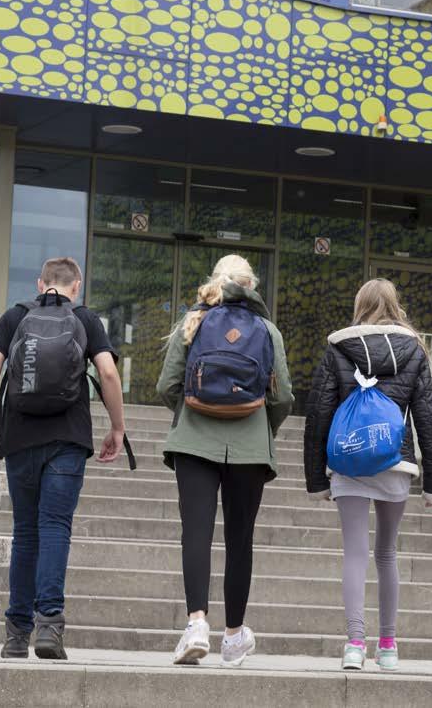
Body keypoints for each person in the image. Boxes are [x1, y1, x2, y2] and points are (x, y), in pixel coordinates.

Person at [0, 257, 126, 661]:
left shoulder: (15, 316)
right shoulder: (86, 320)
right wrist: (117, 428)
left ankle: (16, 634)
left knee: (25, 533)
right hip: (67, 438)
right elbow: (107, 373)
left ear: (40, 283)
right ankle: (49, 626)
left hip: (19, 436)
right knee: (55, 528)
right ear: (76, 286)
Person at [303, 278, 432, 673]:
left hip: (348, 460)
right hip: (393, 462)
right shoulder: (414, 351)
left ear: (360, 304)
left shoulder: (338, 347)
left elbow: (318, 413)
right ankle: (388, 646)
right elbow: (430, 420)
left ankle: (354, 643)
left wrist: (317, 478)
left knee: (354, 551)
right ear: (394, 305)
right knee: (386, 553)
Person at [157, 254, 293, 667]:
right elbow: (283, 396)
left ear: (214, 280)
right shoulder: (268, 331)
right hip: (250, 445)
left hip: (195, 439)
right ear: (252, 285)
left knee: (195, 532)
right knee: (240, 540)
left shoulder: (192, 322)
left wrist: (189, 412)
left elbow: (167, 385)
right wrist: (260, 427)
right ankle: (233, 636)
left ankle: (197, 622)